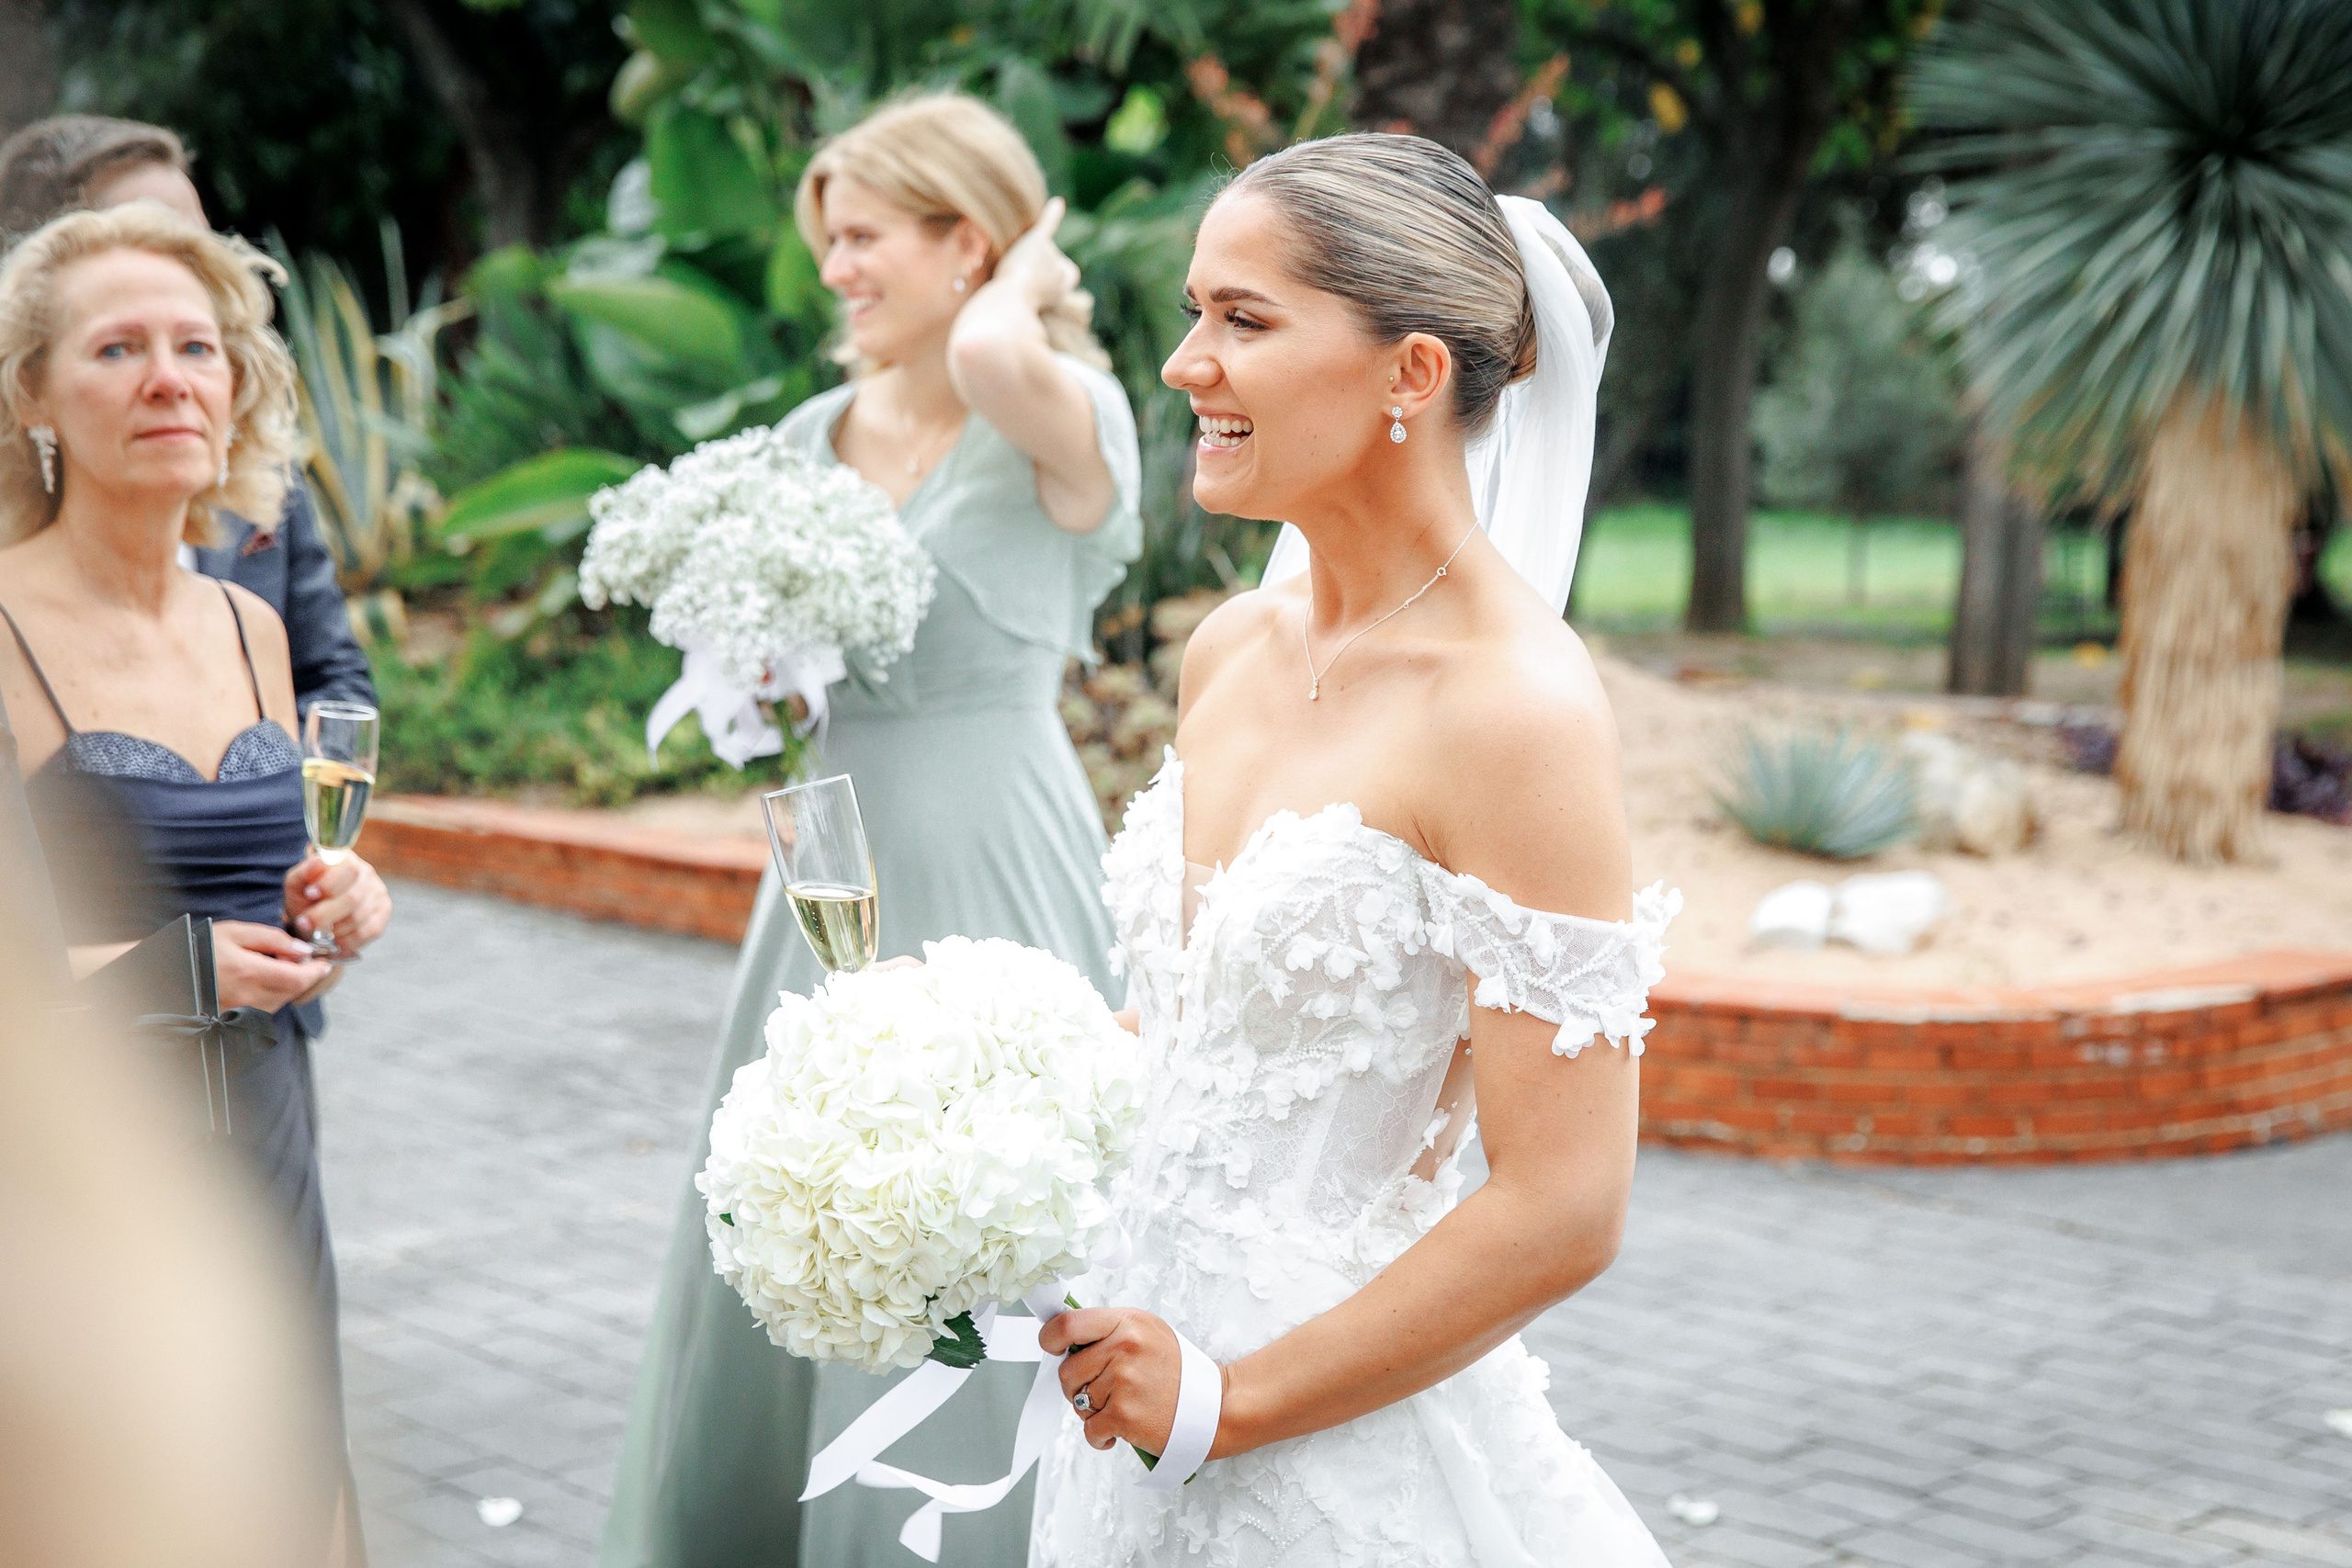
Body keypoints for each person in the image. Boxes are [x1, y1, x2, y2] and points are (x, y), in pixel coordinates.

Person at [1010, 134, 1679, 1563]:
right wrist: (982, 1142)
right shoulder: (1232, 648)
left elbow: (1565, 1201)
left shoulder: (1515, 712)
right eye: (1197, 312)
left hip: (1321, 1429)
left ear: (1412, 374)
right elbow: (1193, 1021)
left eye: (1244, 320)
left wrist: (1233, 1400)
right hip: (1125, 1382)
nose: (1189, 362)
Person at [600, 93, 1141, 1568]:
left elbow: (982, 349)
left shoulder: (1062, 412)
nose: (833, 268)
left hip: (996, 861)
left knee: (991, 1218)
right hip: (829, 878)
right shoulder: (801, 436)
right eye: (825, 240)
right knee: (807, 1205)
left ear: (967, 238)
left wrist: (1028, 277)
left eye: (860, 237)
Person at [0, 201, 393, 1554]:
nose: (171, 376)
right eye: (117, 348)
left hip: (274, 1136)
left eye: (197, 345)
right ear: (34, 393)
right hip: (80, 1179)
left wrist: (341, 897)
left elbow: (278, 869)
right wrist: (186, 966)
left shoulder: (254, 623)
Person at [0, 114, 376, 717]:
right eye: (144, 233)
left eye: (200, 237)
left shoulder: (265, 488)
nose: (187, 264)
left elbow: (334, 682)